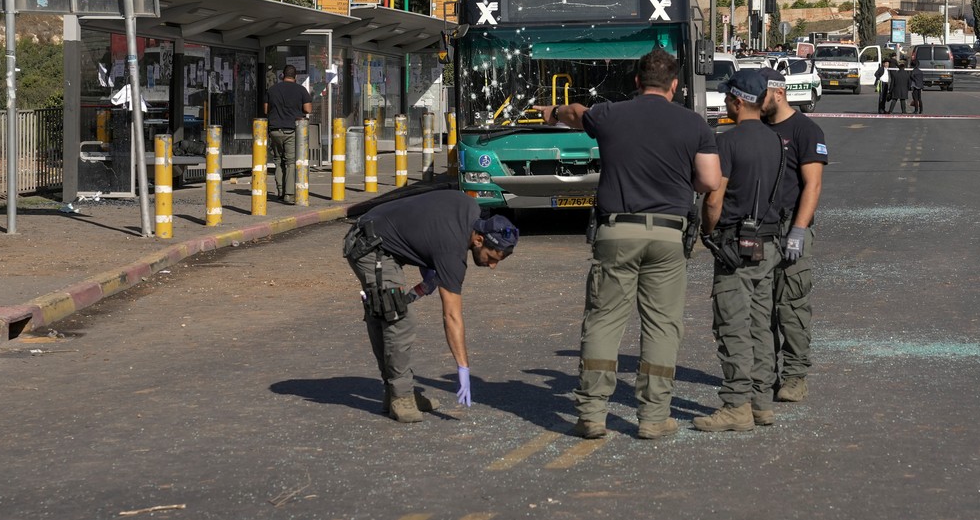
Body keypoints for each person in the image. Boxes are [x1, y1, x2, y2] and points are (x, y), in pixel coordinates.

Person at [534, 47, 720, 441]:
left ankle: (592, 414)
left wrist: (552, 111)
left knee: (604, 321)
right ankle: (653, 417)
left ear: (636, 82)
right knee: (662, 326)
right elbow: (708, 181)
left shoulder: (610, 114)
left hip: (617, 232)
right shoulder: (694, 124)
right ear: (675, 84)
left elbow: (576, 113)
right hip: (669, 235)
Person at [344, 189, 518, 423]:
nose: (494, 265)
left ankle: (396, 391)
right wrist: (463, 367)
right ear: (478, 239)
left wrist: (429, 270)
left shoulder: (469, 208)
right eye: (493, 257)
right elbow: (452, 315)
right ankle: (401, 397)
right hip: (370, 246)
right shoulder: (453, 251)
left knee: (387, 312)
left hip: (378, 233)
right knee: (397, 318)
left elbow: (428, 223)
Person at [696, 69, 785, 433]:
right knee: (761, 325)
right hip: (768, 241)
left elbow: (714, 197)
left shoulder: (728, 142)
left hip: (734, 243)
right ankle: (761, 403)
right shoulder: (776, 140)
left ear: (736, 100)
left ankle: (736, 404)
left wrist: (707, 231)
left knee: (732, 324)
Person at [757, 68, 827, 404]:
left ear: (778, 93)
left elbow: (813, 184)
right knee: (759, 308)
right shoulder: (756, 128)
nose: (756, 100)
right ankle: (765, 375)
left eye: (761, 94)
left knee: (792, 306)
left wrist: (799, 229)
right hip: (758, 229)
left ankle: (795, 376)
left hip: (789, 228)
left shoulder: (805, 130)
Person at [264, 65, 312, 202]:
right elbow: (308, 109)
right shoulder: (301, 90)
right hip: (291, 130)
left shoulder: (272, 90)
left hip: (274, 130)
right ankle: (289, 194)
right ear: (295, 76)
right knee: (290, 162)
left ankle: (280, 190)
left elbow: (266, 110)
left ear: (282, 75)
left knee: (278, 161)